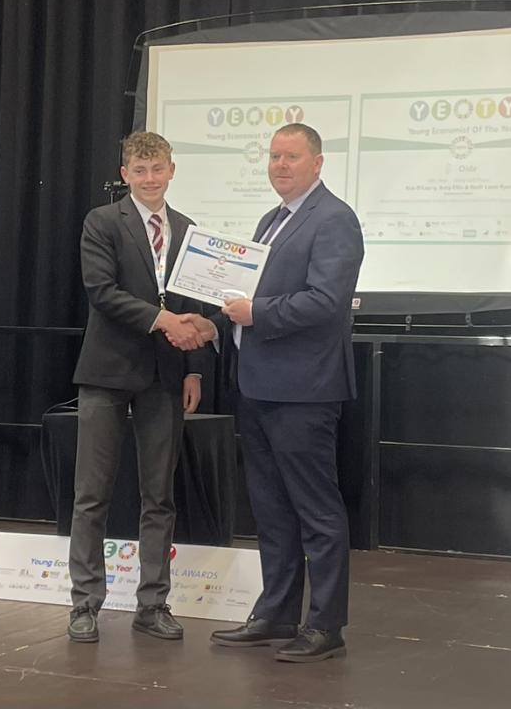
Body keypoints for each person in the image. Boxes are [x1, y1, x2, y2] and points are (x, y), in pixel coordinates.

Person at [181, 123, 364, 662]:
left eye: (292, 157)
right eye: (274, 156)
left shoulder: (334, 219)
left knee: (316, 510)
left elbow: (325, 302)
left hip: (305, 390)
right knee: (271, 508)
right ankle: (276, 614)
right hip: (258, 385)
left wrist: (255, 313)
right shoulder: (271, 220)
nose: (280, 165)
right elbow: (247, 295)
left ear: (318, 163)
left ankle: (325, 625)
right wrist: (215, 322)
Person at [67, 131, 207, 644]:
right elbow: (101, 292)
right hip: (106, 372)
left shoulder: (189, 230)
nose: (150, 179)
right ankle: (85, 604)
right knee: (92, 495)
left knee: (159, 497)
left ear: (172, 170)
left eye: (158, 169)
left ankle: (153, 605)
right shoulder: (102, 222)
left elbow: (194, 303)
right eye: (140, 171)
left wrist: (194, 369)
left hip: (165, 376)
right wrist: (164, 320)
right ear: (125, 175)